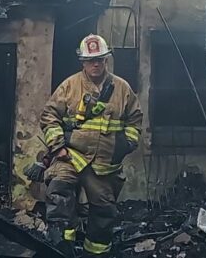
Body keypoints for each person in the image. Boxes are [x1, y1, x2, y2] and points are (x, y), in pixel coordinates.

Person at [40, 34, 143, 257]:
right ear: (83, 62)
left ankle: (95, 253)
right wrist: (58, 147)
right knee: (59, 195)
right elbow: (49, 116)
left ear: (106, 60)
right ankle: (61, 249)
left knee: (104, 212)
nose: (95, 64)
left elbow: (135, 119)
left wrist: (127, 144)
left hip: (103, 165)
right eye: (90, 60)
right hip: (71, 156)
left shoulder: (122, 88)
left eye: (100, 59)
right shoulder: (69, 86)